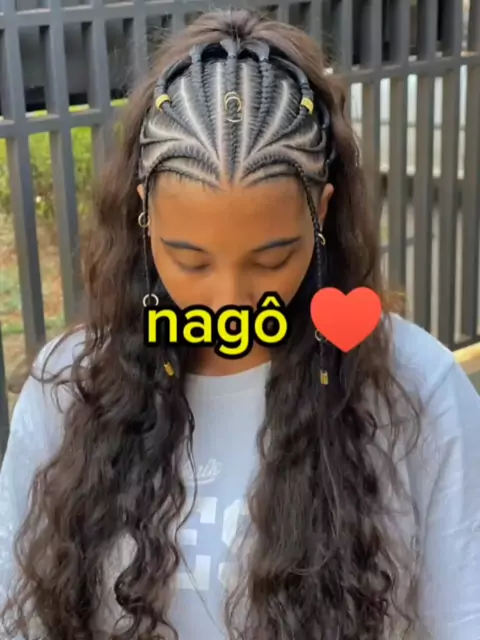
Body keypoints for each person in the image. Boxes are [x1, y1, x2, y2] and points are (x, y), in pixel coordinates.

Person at [1, 8, 479, 640]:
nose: (230, 302)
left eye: (271, 258)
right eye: (190, 260)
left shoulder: (417, 391)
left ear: (321, 212)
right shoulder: (69, 389)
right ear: (145, 213)